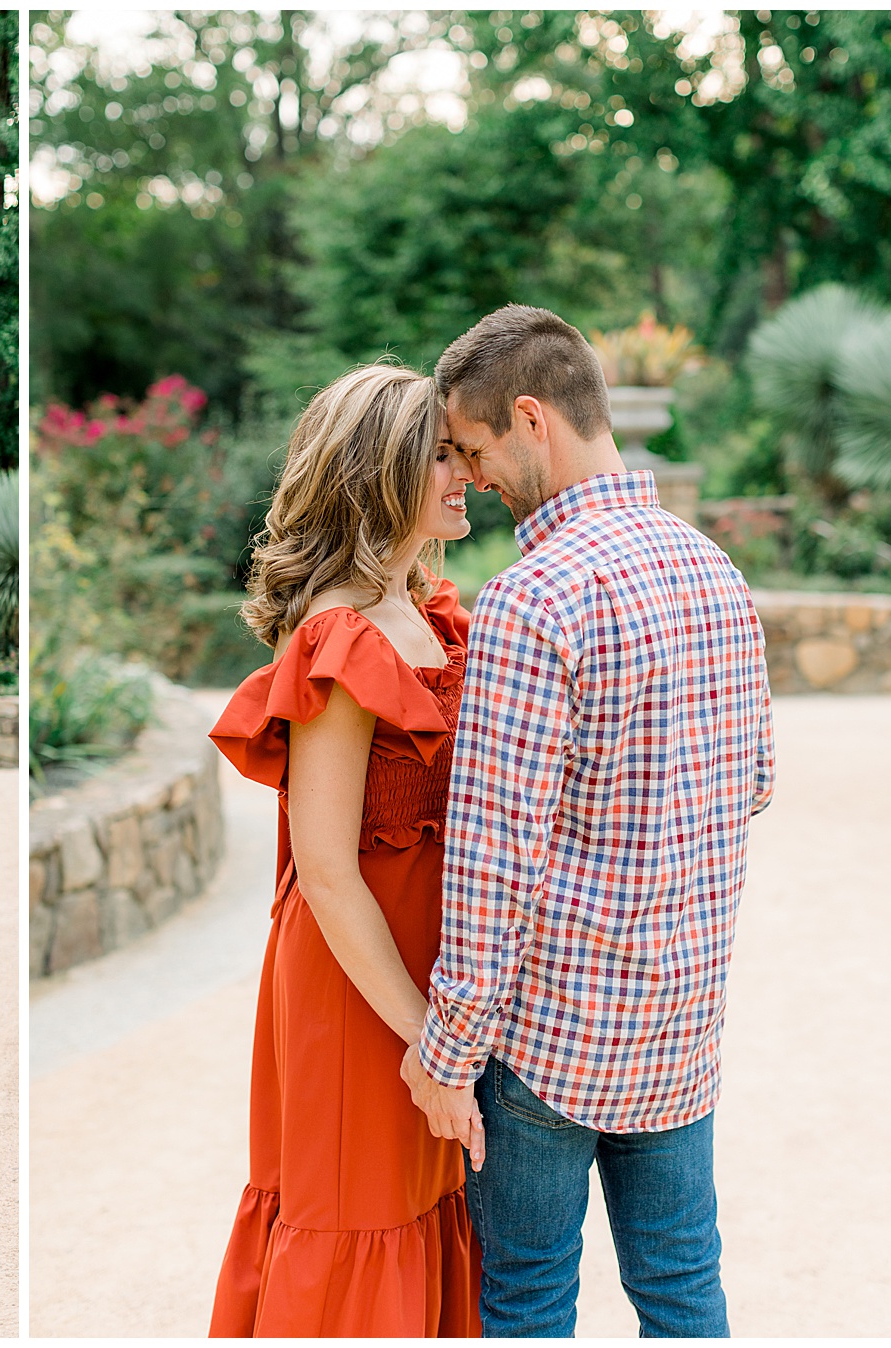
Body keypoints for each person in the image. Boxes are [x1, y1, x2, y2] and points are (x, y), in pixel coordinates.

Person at [401, 304, 775, 1337]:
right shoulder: (718, 573)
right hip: (680, 1033)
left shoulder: (532, 599)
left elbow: (491, 868)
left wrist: (444, 1055)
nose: (473, 475)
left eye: (475, 448)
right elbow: (752, 785)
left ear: (532, 419)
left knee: (524, 1305)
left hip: (550, 1048)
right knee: (685, 1294)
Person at [207, 362, 483, 1336]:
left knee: (417, 1205)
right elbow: (325, 870)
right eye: (439, 455)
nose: (465, 472)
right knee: (356, 1218)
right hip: (360, 994)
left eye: (461, 451)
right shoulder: (342, 633)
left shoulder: (431, 613)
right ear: (379, 475)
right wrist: (430, 1037)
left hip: (421, 985)